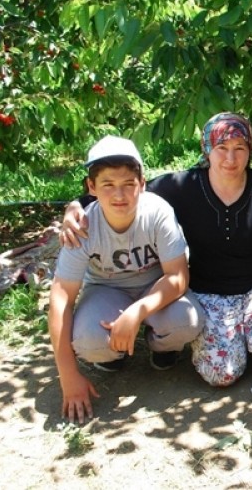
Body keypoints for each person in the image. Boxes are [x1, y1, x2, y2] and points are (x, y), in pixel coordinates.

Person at [60, 113, 252, 387]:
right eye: (222, 148)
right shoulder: (180, 187)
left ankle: (249, 333)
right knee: (221, 374)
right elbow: (123, 188)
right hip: (210, 293)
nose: (230, 158)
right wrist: (74, 206)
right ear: (207, 149)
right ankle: (219, 340)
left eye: (239, 148)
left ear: (249, 151)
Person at [49, 135, 205, 423]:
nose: (119, 195)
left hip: (156, 287)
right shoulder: (82, 227)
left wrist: (137, 312)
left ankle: (161, 345)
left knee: (188, 320)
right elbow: (61, 297)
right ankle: (114, 353)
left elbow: (178, 276)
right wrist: (68, 376)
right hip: (106, 289)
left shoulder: (157, 213)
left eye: (128, 185)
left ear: (142, 184)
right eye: (108, 185)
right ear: (91, 187)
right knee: (87, 341)